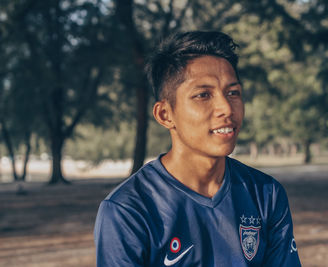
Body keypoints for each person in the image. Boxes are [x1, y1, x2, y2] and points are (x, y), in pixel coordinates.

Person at [94, 31, 301, 267]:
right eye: (203, 95)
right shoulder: (128, 210)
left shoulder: (266, 194)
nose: (226, 108)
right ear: (165, 114)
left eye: (233, 93)